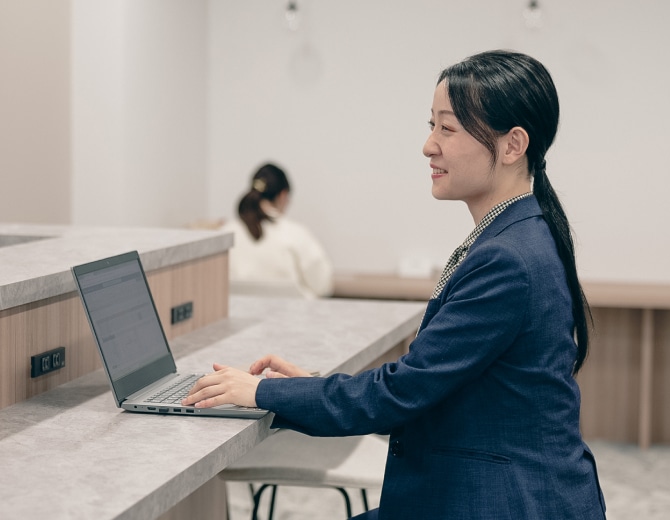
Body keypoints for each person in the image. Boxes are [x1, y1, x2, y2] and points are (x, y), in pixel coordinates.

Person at [184, 50, 607, 519]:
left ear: (512, 145)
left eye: (447, 128)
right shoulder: (519, 234)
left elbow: (399, 394)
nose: (429, 146)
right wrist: (307, 388)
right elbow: (425, 391)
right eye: (432, 126)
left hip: (502, 501)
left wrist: (262, 392)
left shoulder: (507, 259)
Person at [221, 163, 334, 298]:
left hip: (238, 314)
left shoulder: (226, 232)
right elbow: (322, 283)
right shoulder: (294, 233)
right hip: (292, 316)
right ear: (283, 195)